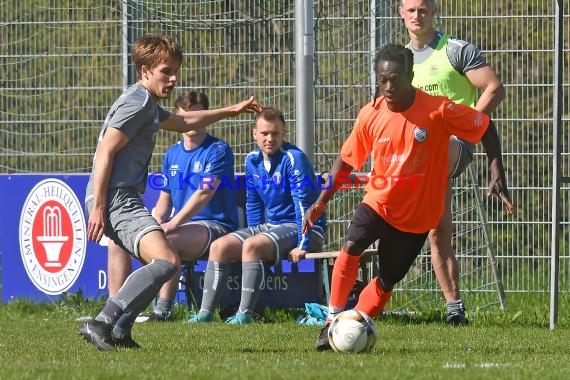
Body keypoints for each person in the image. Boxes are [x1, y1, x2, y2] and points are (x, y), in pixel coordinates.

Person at [303, 43, 514, 351]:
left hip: (417, 217)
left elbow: (484, 126)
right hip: (378, 201)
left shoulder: (438, 109)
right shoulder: (370, 114)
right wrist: (322, 201)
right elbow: (347, 161)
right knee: (351, 246)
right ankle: (331, 322)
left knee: (386, 281)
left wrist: (498, 172)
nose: (388, 87)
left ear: (410, 75)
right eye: (382, 80)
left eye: (395, 79)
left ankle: (356, 324)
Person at [79, 32, 261, 351]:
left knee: (165, 263)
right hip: (116, 198)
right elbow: (106, 151)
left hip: (119, 198)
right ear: (145, 70)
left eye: (175, 70)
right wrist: (99, 206)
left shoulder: (147, 103)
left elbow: (184, 120)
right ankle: (104, 322)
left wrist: (230, 111)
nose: (173, 78)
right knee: (166, 261)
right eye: (166, 71)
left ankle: (119, 330)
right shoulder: (136, 103)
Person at [400, 0, 506, 325]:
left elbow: (494, 88)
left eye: (423, 9)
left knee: (432, 145)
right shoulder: (400, 60)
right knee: (438, 230)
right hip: (419, 155)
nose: (417, 16)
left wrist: (469, 122)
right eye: (411, 10)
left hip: (454, 145)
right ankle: (454, 309)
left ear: (433, 12)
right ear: (401, 13)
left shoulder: (456, 50)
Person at [106, 90, 239, 326]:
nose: (193, 123)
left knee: (169, 240)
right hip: (179, 225)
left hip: (214, 226)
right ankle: (114, 311)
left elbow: (204, 193)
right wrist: (153, 223)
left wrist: (171, 224)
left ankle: (162, 311)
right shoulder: (172, 154)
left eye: (198, 116)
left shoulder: (218, 150)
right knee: (119, 241)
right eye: (187, 116)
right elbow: (164, 200)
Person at [188, 106, 327, 325]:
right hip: (271, 226)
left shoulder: (294, 158)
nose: (269, 139)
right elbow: (253, 203)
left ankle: (244, 315)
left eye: (275, 133)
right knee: (219, 247)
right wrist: (250, 234)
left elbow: (304, 206)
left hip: (304, 227)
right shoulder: (252, 160)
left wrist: (303, 243)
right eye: (264, 133)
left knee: (252, 246)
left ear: (284, 134)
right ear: (254, 134)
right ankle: (205, 314)